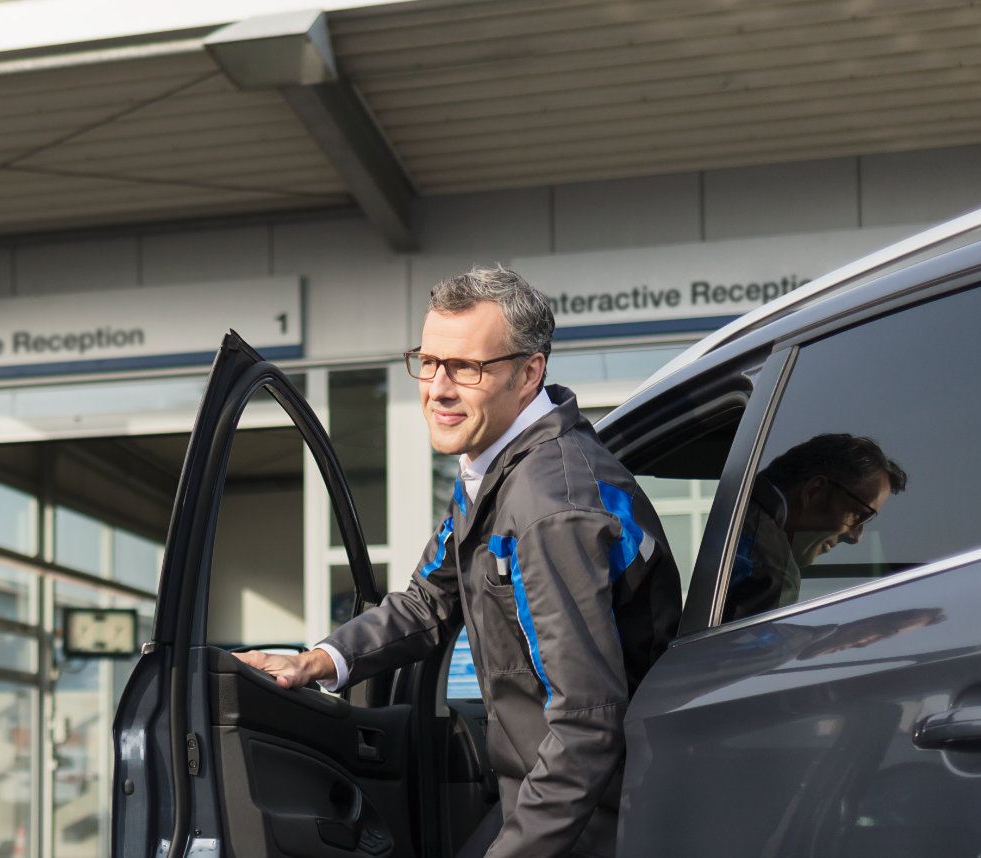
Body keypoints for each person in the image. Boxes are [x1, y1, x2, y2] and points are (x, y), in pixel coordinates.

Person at [235, 266, 682, 858]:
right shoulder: (493, 471)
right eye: (429, 361)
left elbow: (587, 723)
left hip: (591, 817)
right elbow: (429, 600)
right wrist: (321, 660)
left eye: (466, 368)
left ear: (529, 373)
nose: (438, 388)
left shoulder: (549, 505)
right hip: (536, 796)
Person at [723, 433, 908, 622]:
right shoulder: (771, 573)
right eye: (858, 515)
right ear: (814, 492)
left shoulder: (726, 508)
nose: (857, 537)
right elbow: (752, 651)